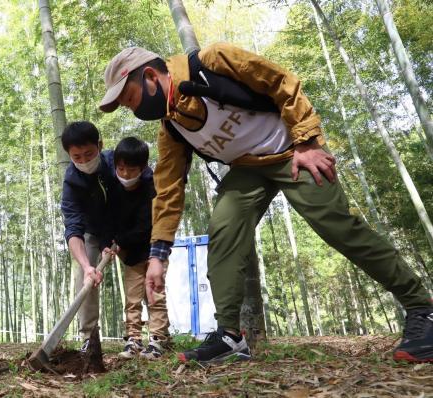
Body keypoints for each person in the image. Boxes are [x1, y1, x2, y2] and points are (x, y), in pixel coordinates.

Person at [98, 43, 433, 364]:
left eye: (130, 98)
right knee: (223, 230)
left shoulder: (211, 62)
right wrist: (158, 255)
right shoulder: (171, 128)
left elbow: (280, 81)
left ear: (151, 77)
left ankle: (422, 307)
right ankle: (230, 337)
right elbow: (168, 190)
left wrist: (308, 140)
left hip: (293, 151)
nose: (132, 108)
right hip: (247, 168)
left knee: (336, 225)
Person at [107, 137, 170, 360]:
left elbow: (148, 225)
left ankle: (158, 340)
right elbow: (111, 221)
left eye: (130, 169)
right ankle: (133, 339)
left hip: (154, 252)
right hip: (131, 255)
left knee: (155, 295)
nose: (124, 174)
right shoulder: (113, 186)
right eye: (120, 168)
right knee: (132, 299)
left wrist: (120, 241)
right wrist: (112, 242)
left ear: (142, 168)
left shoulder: (153, 185)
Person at [60, 121, 117, 352]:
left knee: (144, 271)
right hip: (93, 232)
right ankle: (89, 337)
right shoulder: (72, 180)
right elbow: (73, 228)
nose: (83, 161)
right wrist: (86, 266)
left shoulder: (117, 162)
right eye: (77, 157)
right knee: (84, 278)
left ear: (100, 146)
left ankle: (154, 334)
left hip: (129, 227)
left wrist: (124, 236)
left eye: (88, 154)